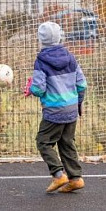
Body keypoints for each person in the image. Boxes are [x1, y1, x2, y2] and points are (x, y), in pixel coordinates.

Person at [23, 21, 88, 193]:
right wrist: (78, 103)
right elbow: (82, 84)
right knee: (67, 143)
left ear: (40, 39)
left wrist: (30, 88)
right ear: (60, 37)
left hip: (53, 111)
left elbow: (39, 88)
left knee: (43, 142)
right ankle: (76, 178)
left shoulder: (41, 61)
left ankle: (58, 174)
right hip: (71, 109)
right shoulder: (71, 58)